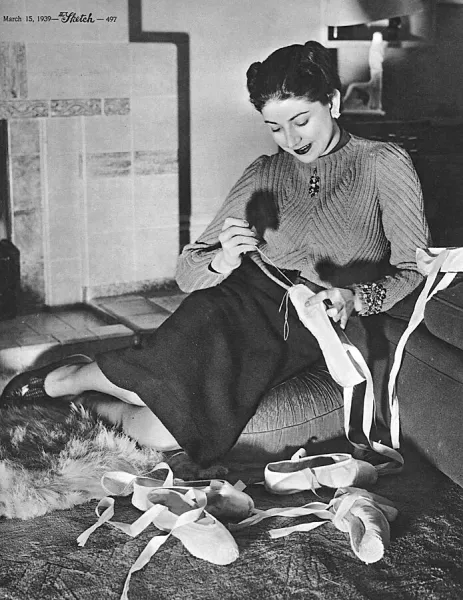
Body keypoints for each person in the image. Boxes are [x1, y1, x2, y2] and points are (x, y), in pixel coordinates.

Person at [0, 41, 430, 467]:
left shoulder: (383, 163)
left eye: (301, 120)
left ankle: (87, 395)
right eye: (274, 126)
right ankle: (65, 378)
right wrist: (222, 260)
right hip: (235, 302)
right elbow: (187, 272)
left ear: (332, 102)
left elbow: (414, 268)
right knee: (145, 388)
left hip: (307, 324)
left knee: (158, 434)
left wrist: (356, 297)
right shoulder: (264, 171)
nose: (291, 139)